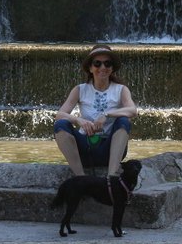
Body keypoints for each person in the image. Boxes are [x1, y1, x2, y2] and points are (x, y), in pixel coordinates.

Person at [54, 45, 138, 176]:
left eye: (107, 63)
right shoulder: (80, 89)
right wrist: (78, 120)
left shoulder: (121, 89)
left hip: (109, 150)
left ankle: (112, 176)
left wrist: (107, 114)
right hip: (85, 149)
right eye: (97, 63)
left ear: (112, 68)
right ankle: (80, 177)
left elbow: (132, 110)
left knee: (123, 121)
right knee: (61, 125)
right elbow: (59, 114)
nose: (102, 68)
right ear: (90, 68)